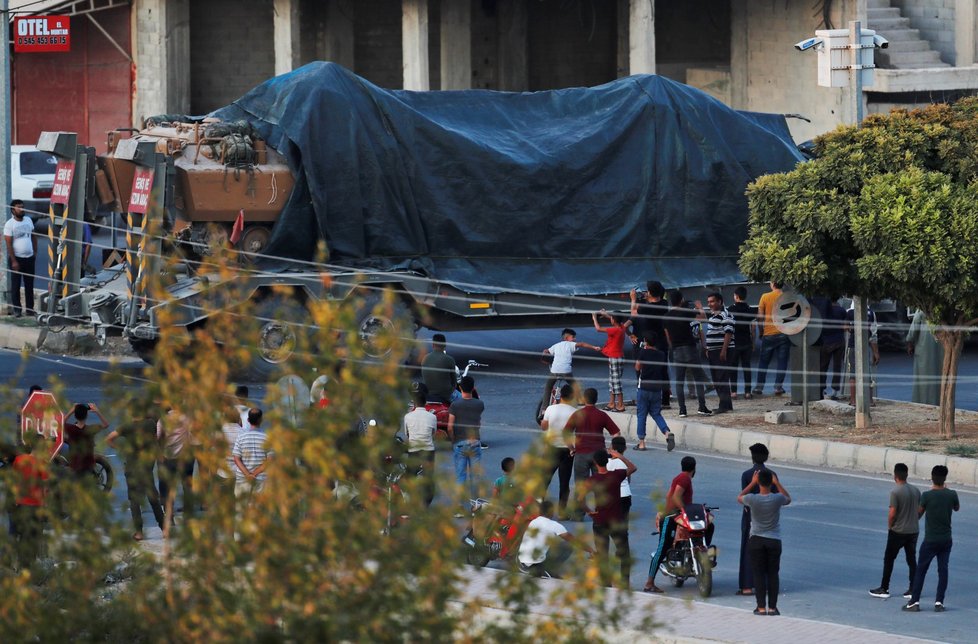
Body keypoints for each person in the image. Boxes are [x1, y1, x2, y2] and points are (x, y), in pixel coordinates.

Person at [644, 456, 708, 593]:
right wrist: (685, 510)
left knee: (706, 528)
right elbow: (675, 497)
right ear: (694, 468)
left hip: (676, 516)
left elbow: (668, 496)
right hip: (670, 517)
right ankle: (649, 583)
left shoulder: (680, 477)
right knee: (662, 549)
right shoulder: (684, 478)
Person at [903, 465, 959, 613]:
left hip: (930, 540)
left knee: (921, 570)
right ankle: (939, 602)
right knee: (943, 570)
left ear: (932, 478)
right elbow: (956, 508)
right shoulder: (952, 494)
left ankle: (914, 602)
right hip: (946, 539)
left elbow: (918, 515)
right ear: (945, 478)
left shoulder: (927, 496)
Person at [106, 407, 167, 540]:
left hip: (132, 467)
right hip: (146, 467)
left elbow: (109, 438)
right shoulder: (150, 424)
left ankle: (139, 532)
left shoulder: (126, 427)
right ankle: (164, 529)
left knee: (134, 501)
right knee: (153, 499)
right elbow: (156, 439)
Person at [738, 469, 791, 616]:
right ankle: (773, 608)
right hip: (774, 540)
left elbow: (739, 497)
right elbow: (788, 498)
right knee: (773, 574)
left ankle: (761, 607)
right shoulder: (777, 498)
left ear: (759, 482)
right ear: (771, 482)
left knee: (758, 574)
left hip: (756, 540)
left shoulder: (753, 499)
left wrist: (752, 483)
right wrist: (777, 482)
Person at [564, 388, 621, 519]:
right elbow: (616, 433)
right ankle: (601, 512)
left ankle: (578, 514)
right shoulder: (602, 415)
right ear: (596, 399)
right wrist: (610, 449)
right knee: (600, 484)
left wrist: (571, 448)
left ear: (584, 399)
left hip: (581, 454)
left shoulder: (577, 414)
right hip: (599, 455)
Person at [585, 448, 636, 588]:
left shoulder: (593, 479)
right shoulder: (616, 475)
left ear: (595, 463)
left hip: (599, 520)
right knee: (624, 552)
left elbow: (579, 498)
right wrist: (620, 456)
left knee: (603, 554)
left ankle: (605, 583)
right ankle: (625, 583)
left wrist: (589, 511)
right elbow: (633, 467)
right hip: (616, 520)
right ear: (607, 460)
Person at [869, 463, 920, 600]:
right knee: (911, 560)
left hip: (898, 531)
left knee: (889, 559)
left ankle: (884, 588)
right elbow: (920, 510)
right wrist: (915, 519)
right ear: (907, 475)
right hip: (913, 530)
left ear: (895, 476)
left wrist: (890, 526)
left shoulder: (895, 492)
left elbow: (892, 513)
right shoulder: (916, 491)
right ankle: (913, 588)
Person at [662, 290, 711, 417]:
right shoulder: (685, 312)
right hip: (690, 348)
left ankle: (682, 409)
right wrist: (700, 307)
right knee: (698, 378)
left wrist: (672, 348)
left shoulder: (666, 317)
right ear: (681, 300)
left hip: (677, 350)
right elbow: (703, 318)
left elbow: (668, 337)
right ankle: (702, 407)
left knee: (679, 382)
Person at [738, 443, 777, 596]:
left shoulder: (747, 475)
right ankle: (767, 584)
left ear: (753, 457)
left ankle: (747, 586)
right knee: (768, 552)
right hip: (769, 520)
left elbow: (743, 497)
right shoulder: (772, 475)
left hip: (751, 519)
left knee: (748, 552)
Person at [537, 328, 600, 422]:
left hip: (555, 371)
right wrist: (594, 347)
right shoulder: (571, 344)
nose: (574, 339)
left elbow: (547, 351)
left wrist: (544, 353)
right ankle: (580, 402)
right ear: (567, 338)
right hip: (566, 372)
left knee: (548, 388)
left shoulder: (556, 345)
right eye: (573, 337)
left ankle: (544, 410)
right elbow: (582, 344)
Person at [518, 500, 592, 578]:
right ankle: (547, 570)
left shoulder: (533, 522)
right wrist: (590, 550)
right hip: (533, 564)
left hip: (521, 563)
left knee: (550, 543)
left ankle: (531, 566)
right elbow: (574, 541)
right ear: (552, 512)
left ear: (540, 511)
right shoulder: (554, 525)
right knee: (567, 546)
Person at [629, 281, 672, 407]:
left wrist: (633, 299)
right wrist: (646, 297)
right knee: (663, 371)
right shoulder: (664, 304)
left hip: (649, 342)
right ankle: (665, 400)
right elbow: (655, 299)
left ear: (650, 293)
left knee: (646, 371)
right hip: (662, 341)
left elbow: (633, 314)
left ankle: (646, 399)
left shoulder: (645, 308)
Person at [9, 437, 48, 569]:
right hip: (34, 506)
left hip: (19, 504)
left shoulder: (19, 459)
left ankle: (15, 566)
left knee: (19, 536)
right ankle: (26, 569)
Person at [539, 383, 576, 517]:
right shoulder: (574, 411)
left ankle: (539, 509)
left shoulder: (550, 408)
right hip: (567, 450)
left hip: (550, 448)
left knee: (544, 480)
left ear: (560, 395)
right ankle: (562, 511)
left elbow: (543, 427)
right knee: (564, 482)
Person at [447, 375, 485, 503]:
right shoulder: (479, 404)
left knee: (460, 476)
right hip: (475, 442)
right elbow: (478, 422)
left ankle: (459, 506)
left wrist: (453, 440)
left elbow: (450, 427)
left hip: (460, 443)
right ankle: (476, 504)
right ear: (473, 388)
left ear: (460, 387)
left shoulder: (454, 405)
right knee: (475, 476)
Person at [634, 331, 672, 451]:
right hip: (657, 388)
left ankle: (641, 442)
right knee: (656, 413)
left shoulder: (643, 352)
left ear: (646, 341)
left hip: (644, 386)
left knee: (641, 415)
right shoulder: (661, 354)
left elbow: (637, 367)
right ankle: (666, 432)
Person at [753, 281, 790, 396]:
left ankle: (759, 387)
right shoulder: (787, 297)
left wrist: (761, 331)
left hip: (768, 333)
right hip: (784, 333)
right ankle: (778, 387)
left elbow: (760, 317)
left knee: (764, 361)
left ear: (772, 284)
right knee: (782, 361)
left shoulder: (765, 297)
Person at [158, 408, 197, 517]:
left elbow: (158, 437)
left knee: (169, 486)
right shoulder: (187, 419)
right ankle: (189, 511)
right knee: (187, 484)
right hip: (186, 457)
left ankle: (169, 514)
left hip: (169, 457)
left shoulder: (163, 420)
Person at [702, 292, 734, 414]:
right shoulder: (712, 316)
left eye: (712, 301)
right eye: (709, 301)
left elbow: (728, 332)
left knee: (721, 378)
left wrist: (723, 350)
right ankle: (726, 404)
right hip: (713, 352)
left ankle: (724, 406)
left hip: (722, 351)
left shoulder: (725, 315)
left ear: (720, 302)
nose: (710, 304)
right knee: (717, 378)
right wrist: (708, 349)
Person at [592, 309, 630, 412]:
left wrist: (594, 317)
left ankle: (620, 405)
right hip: (618, 356)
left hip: (615, 357)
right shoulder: (622, 327)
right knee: (612, 381)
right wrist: (607, 315)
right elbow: (616, 320)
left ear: (613, 320)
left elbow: (598, 328)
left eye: (611, 318)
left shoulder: (615, 330)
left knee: (616, 382)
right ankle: (612, 403)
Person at [404, 390, 438, 506]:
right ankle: (426, 502)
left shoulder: (408, 417)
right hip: (428, 449)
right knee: (428, 477)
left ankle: (410, 500)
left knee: (410, 475)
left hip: (413, 449)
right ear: (426, 403)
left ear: (414, 403)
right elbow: (433, 433)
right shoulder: (432, 417)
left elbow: (407, 433)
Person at [4, 199, 37, 317]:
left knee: (29, 285)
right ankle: (17, 310)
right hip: (17, 259)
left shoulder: (28, 220)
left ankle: (30, 309)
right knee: (16, 286)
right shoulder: (9, 224)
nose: (22, 209)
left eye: (22, 207)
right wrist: (13, 261)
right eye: (19, 207)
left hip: (29, 258)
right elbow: (8, 244)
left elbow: (33, 236)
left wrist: (35, 252)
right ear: (13, 210)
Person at [232, 408, 272, 503]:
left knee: (241, 510)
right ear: (261, 420)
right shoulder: (267, 438)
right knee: (257, 511)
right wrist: (254, 474)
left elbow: (236, 459)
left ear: (248, 420)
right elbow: (270, 460)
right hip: (260, 480)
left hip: (242, 479)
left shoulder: (241, 437)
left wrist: (247, 474)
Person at [905, 309, 943, 406]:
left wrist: (909, 342)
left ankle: (922, 401)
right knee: (939, 373)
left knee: (923, 376)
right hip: (942, 346)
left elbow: (915, 327)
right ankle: (939, 401)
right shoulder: (944, 307)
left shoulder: (922, 308)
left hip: (924, 348)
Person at [845, 302, 880, 403]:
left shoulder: (849, 312)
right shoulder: (871, 313)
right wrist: (876, 352)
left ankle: (853, 401)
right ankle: (870, 400)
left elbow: (846, 327)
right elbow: (873, 335)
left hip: (852, 346)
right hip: (865, 346)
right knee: (867, 372)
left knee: (852, 373)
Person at [64, 402, 109, 479]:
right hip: (88, 467)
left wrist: (71, 410)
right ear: (86, 416)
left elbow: (59, 423)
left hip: (75, 467)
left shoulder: (70, 429)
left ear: (75, 416)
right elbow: (106, 424)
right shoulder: (90, 429)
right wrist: (97, 411)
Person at [727, 286, 756, 399]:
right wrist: (753, 342)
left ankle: (733, 392)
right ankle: (747, 392)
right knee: (746, 367)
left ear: (737, 296)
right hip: (746, 342)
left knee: (733, 368)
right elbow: (753, 328)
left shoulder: (730, 310)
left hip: (734, 343)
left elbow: (728, 328)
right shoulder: (750, 309)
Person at [818, 295, 847, 400]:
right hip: (839, 341)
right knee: (837, 366)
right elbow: (845, 326)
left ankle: (821, 389)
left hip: (825, 341)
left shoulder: (823, 311)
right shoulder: (842, 310)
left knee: (822, 367)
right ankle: (835, 390)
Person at [421, 334, 458, 404]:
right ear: (445, 345)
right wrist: (450, 391)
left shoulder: (424, 358)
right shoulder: (449, 359)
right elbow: (454, 381)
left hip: (428, 393)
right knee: (461, 398)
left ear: (433, 345)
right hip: (445, 395)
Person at [606, 436, 633, 524]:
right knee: (623, 525)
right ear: (625, 448)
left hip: (610, 495)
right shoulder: (626, 463)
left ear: (611, 447)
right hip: (624, 494)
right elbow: (628, 480)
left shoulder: (605, 462)